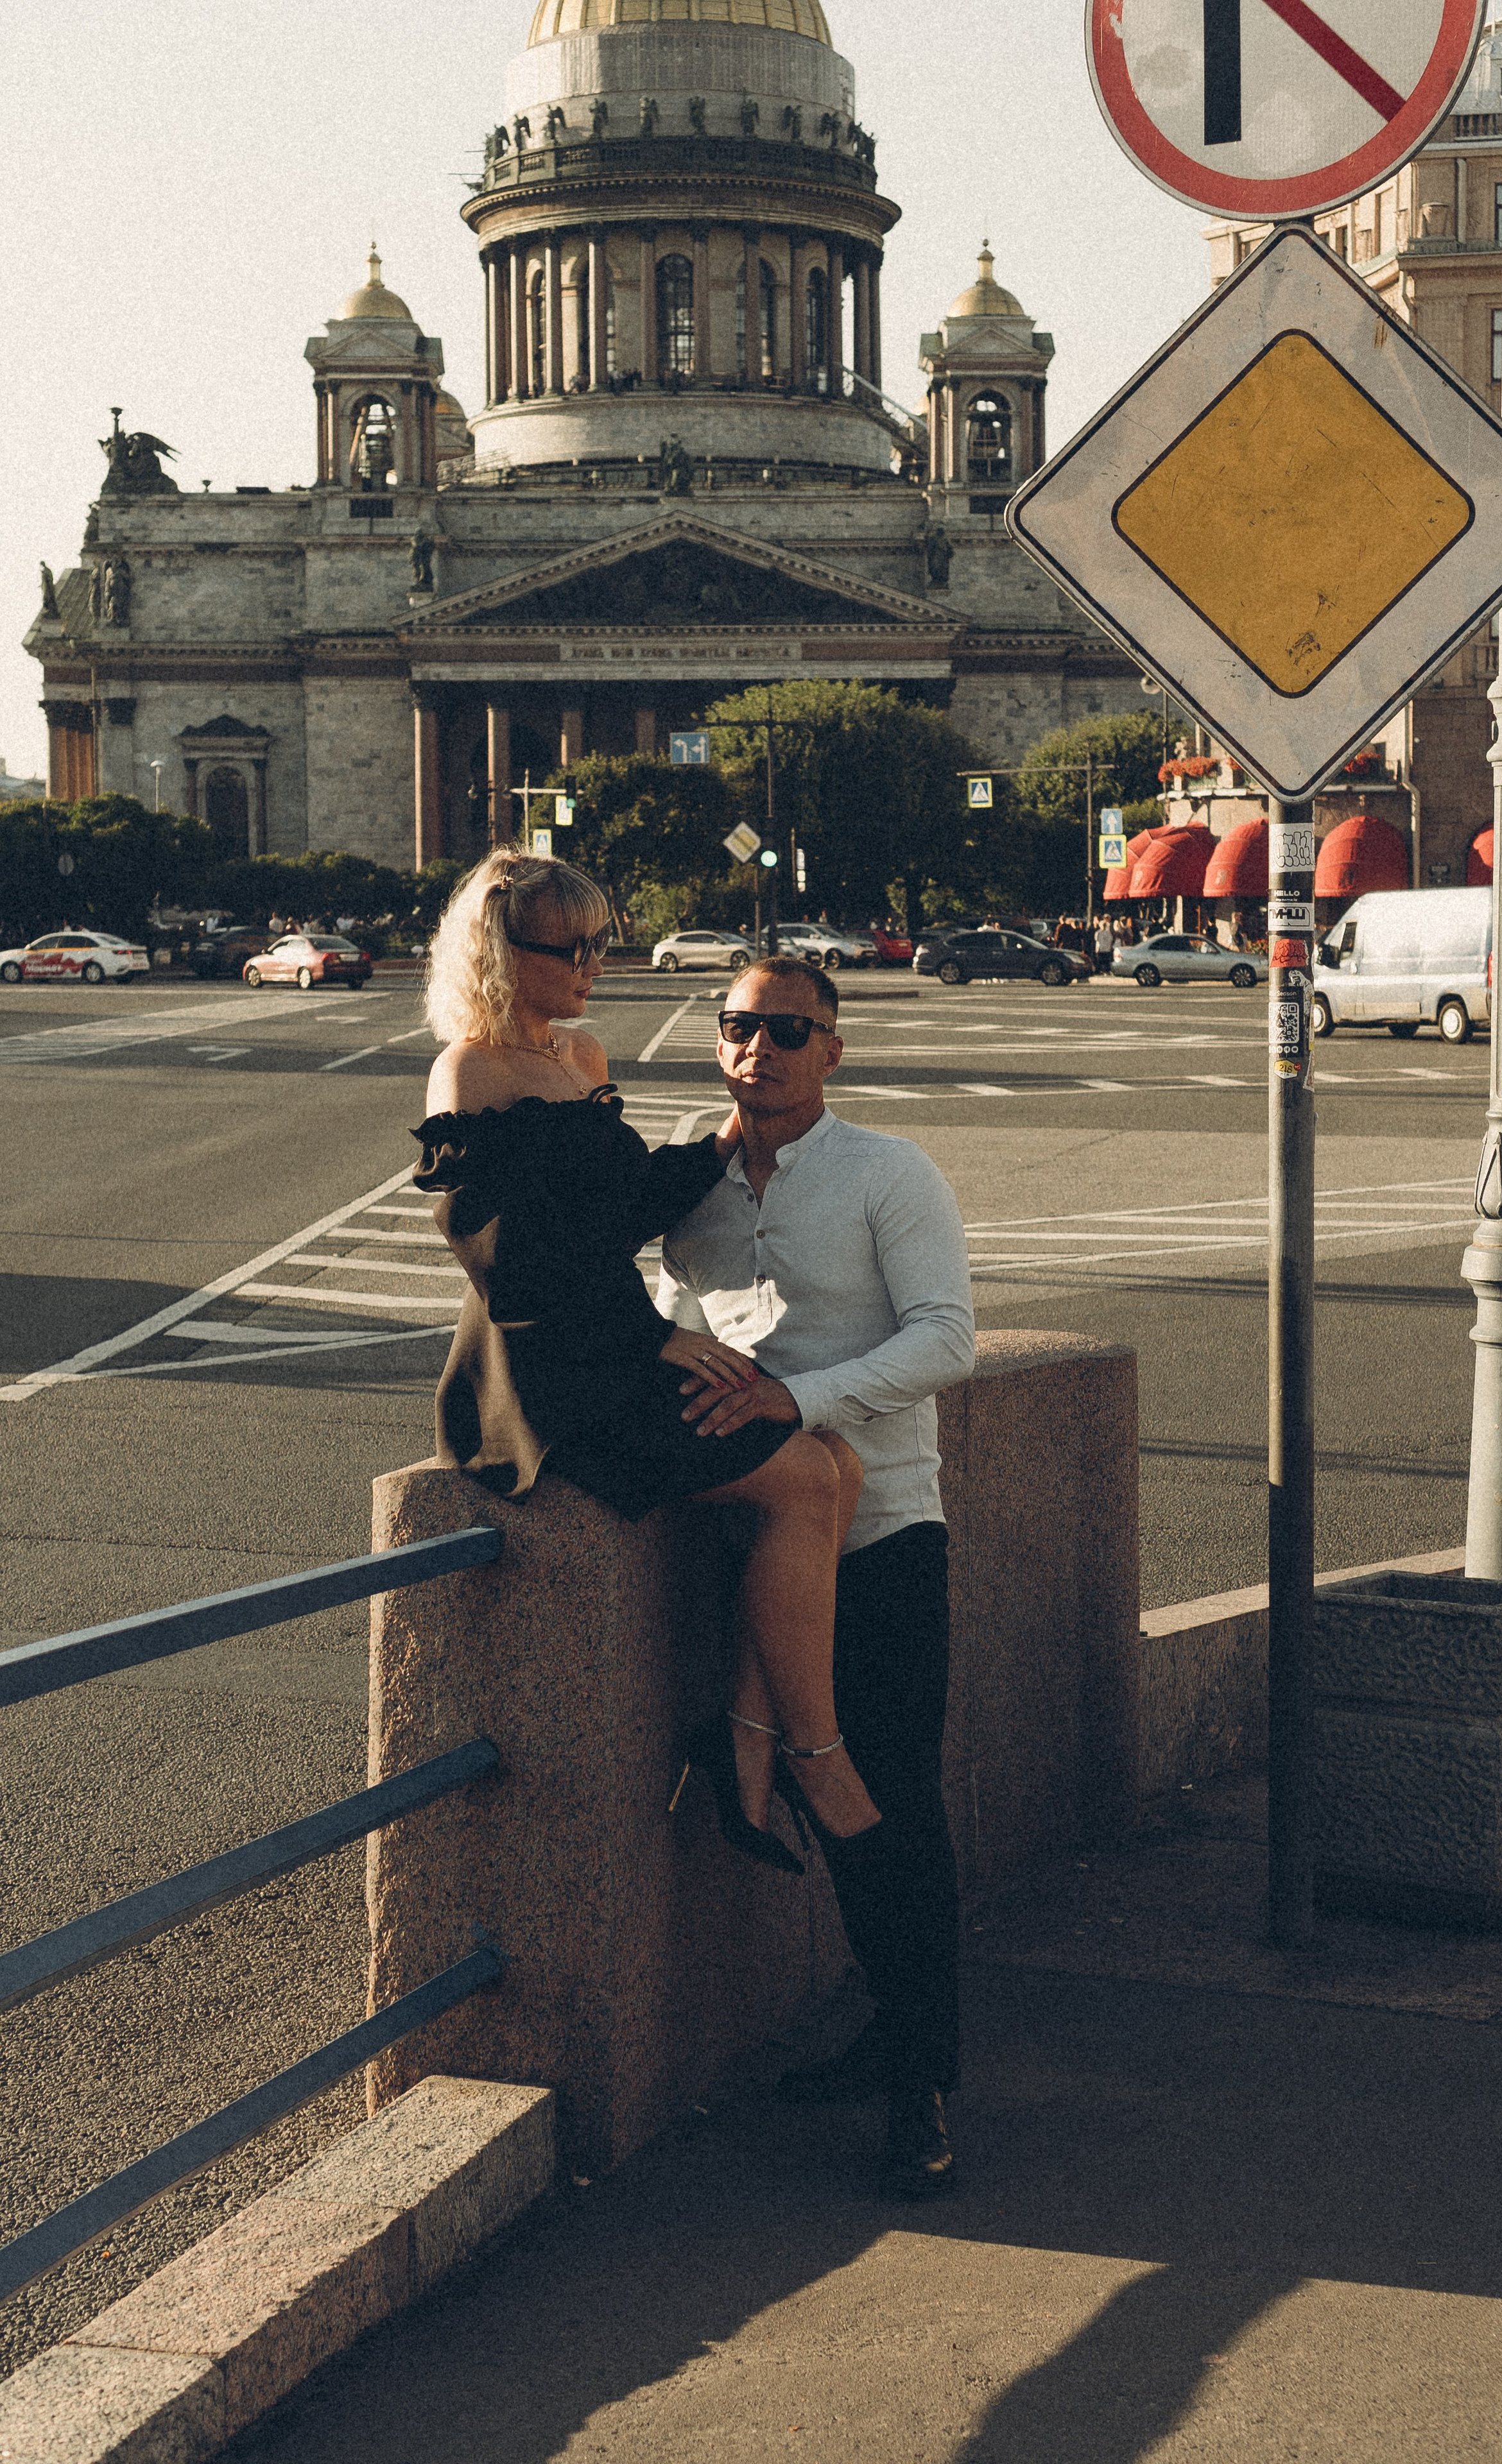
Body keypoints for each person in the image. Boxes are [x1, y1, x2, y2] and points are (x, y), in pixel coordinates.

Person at [415, 850, 880, 1871]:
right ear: (501, 952)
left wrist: (734, 1131)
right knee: (806, 1478)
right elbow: (507, 1263)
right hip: (540, 1376)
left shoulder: (580, 1057)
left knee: (838, 1466)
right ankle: (813, 1754)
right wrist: (659, 1337)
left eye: (599, 943)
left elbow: (619, 1208)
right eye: (571, 948)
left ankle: (746, 1737)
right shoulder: (470, 1072)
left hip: (612, 1349)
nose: (594, 965)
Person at [656, 955, 976, 2199]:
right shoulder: (691, 1188)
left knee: (892, 1809)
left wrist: (799, 1400)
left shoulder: (888, 1173)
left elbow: (946, 1338)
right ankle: (891, 2030)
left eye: (790, 1030)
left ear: (832, 1049)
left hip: (885, 1533)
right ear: (717, 1042)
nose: (762, 1048)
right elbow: (672, 1316)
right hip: (753, 1546)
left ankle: (922, 2084)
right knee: (825, 1798)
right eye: (740, 1026)